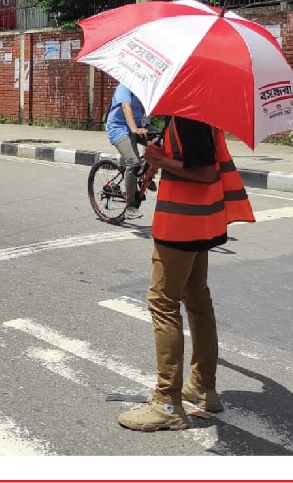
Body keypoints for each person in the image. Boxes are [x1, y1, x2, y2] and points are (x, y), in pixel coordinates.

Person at [117, 115, 255, 433]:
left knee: (163, 302)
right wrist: (160, 159)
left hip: (181, 225)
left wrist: (163, 160)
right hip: (200, 221)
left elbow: (206, 172)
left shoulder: (189, 117)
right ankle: (203, 387)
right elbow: (193, 159)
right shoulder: (196, 116)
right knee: (197, 299)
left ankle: (167, 402)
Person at [105, 79, 150, 220]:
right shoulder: (125, 86)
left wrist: (147, 128)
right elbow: (126, 107)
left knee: (159, 143)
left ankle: (145, 176)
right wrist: (134, 129)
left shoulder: (145, 90)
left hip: (137, 126)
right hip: (118, 128)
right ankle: (130, 207)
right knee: (133, 162)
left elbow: (147, 110)